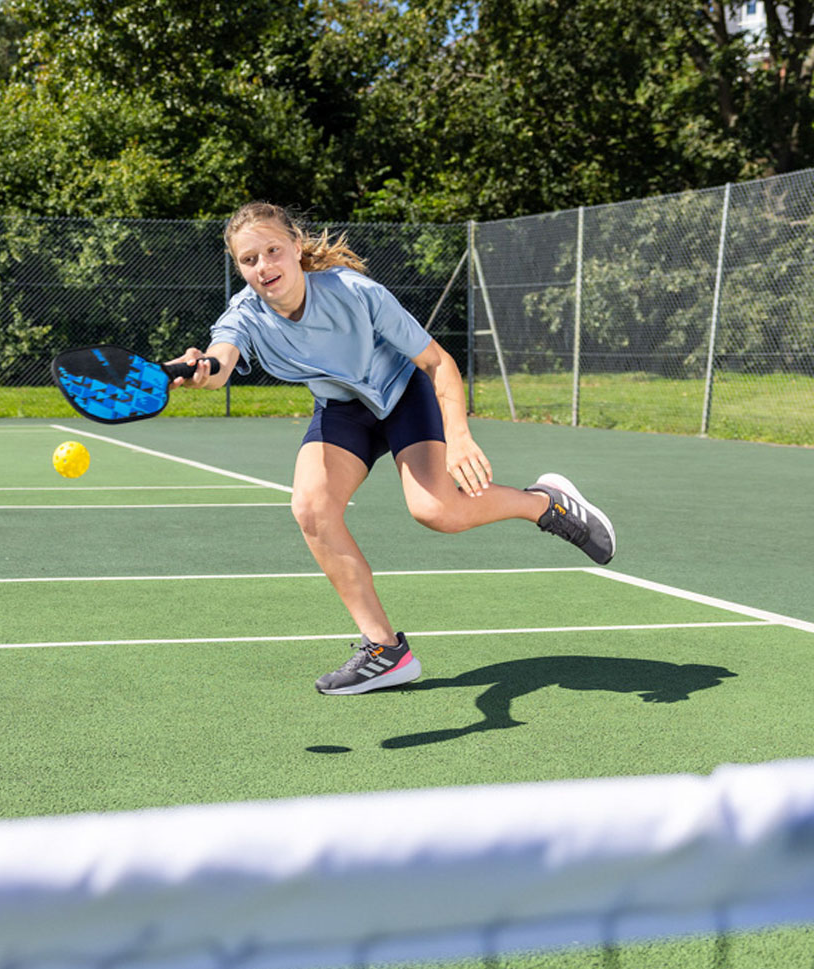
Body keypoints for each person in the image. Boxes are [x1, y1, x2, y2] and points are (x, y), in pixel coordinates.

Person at [169, 202, 616, 695]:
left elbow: (437, 362)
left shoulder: (353, 292)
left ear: (296, 247)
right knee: (312, 509)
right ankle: (385, 651)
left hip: (404, 393)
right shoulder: (245, 314)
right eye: (249, 259)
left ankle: (546, 504)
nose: (263, 266)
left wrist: (458, 436)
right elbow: (221, 360)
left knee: (436, 511)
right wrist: (203, 369)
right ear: (238, 267)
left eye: (273, 250)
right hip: (344, 410)